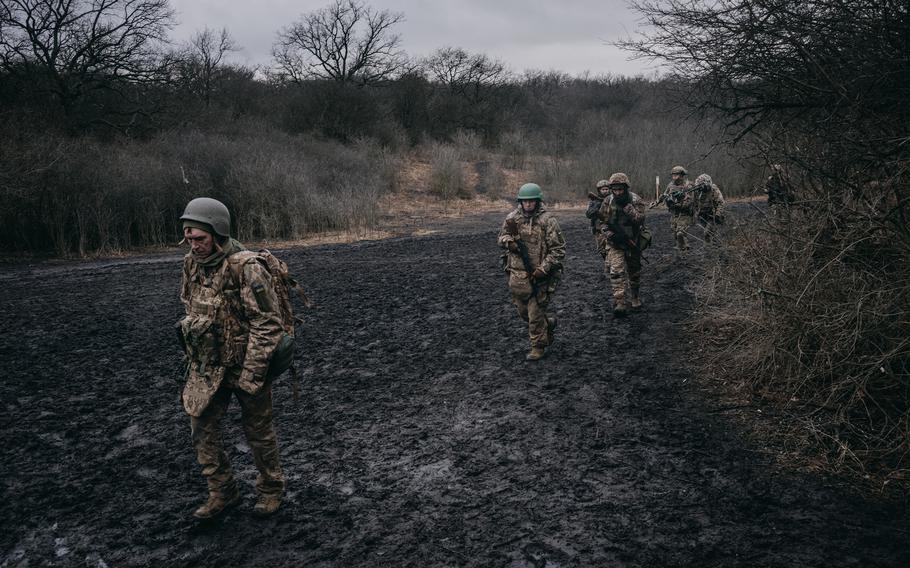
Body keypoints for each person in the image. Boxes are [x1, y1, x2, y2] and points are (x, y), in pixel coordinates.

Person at [177, 197, 286, 519]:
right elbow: (189, 303)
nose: (193, 245)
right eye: (189, 237)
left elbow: (267, 323)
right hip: (208, 365)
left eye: (200, 238)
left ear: (218, 233)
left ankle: (270, 489)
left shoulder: (246, 266)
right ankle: (222, 492)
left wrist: (252, 372)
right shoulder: (190, 263)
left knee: (258, 431)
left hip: (247, 364)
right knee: (201, 427)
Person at [498, 183, 566, 361]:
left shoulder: (548, 221)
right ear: (520, 202)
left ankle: (538, 347)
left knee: (535, 315)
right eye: (525, 201)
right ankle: (548, 324)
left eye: (531, 201)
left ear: (537, 201)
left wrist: (544, 269)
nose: (528, 204)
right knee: (523, 313)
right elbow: (501, 236)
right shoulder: (512, 218)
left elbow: (558, 249)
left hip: (541, 276)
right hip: (518, 276)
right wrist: (509, 243)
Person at [596, 173, 646, 317]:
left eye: (620, 190)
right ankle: (620, 301)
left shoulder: (635, 199)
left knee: (634, 271)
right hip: (614, 243)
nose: (617, 192)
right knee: (616, 272)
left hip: (633, 241)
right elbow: (602, 222)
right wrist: (611, 235)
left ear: (625, 188)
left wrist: (628, 208)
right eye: (615, 190)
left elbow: (641, 220)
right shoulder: (607, 201)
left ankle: (635, 296)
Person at [662, 165, 695, 252]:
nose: (674, 177)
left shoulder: (688, 186)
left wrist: (676, 204)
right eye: (673, 175)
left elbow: (689, 202)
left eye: (676, 175)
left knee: (681, 232)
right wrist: (667, 200)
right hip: (674, 214)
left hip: (685, 214)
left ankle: (684, 250)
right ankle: (684, 249)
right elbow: (665, 195)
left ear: (682, 175)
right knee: (676, 233)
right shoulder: (670, 185)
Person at [692, 173, 726, 242]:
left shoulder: (713, 189)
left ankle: (711, 245)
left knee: (707, 232)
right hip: (703, 215)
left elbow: (721, 203)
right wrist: (695, 213)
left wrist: (718, 214)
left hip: (713, 214)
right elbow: (694, 203)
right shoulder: (697, 191)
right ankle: (713, 245)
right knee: (710, 232)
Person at [585, 179, 611, 258]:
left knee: (611, 249)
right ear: (599, 190)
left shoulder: (612, 199)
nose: (605, 191)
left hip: (610, 228)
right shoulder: (593, 202)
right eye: (603, 189)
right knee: (601, 250)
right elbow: (588, 214)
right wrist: (597, 206)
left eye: (607, 189)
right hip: (598, 230)